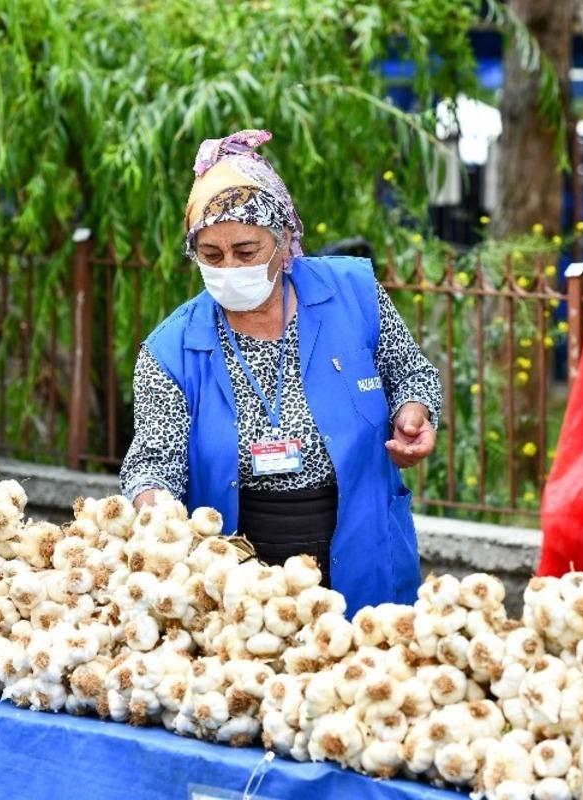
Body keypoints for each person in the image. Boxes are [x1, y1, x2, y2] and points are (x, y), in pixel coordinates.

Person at [119, 130, 442, 611]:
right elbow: (153, 462)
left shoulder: (351, 294)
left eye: (246, 251)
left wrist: (414, 413)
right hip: (238, 582)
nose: (229, 267)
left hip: (363, 553)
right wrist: (152, 508)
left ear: (284, 239)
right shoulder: (172, 349)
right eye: (211, 255)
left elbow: (409, 371)